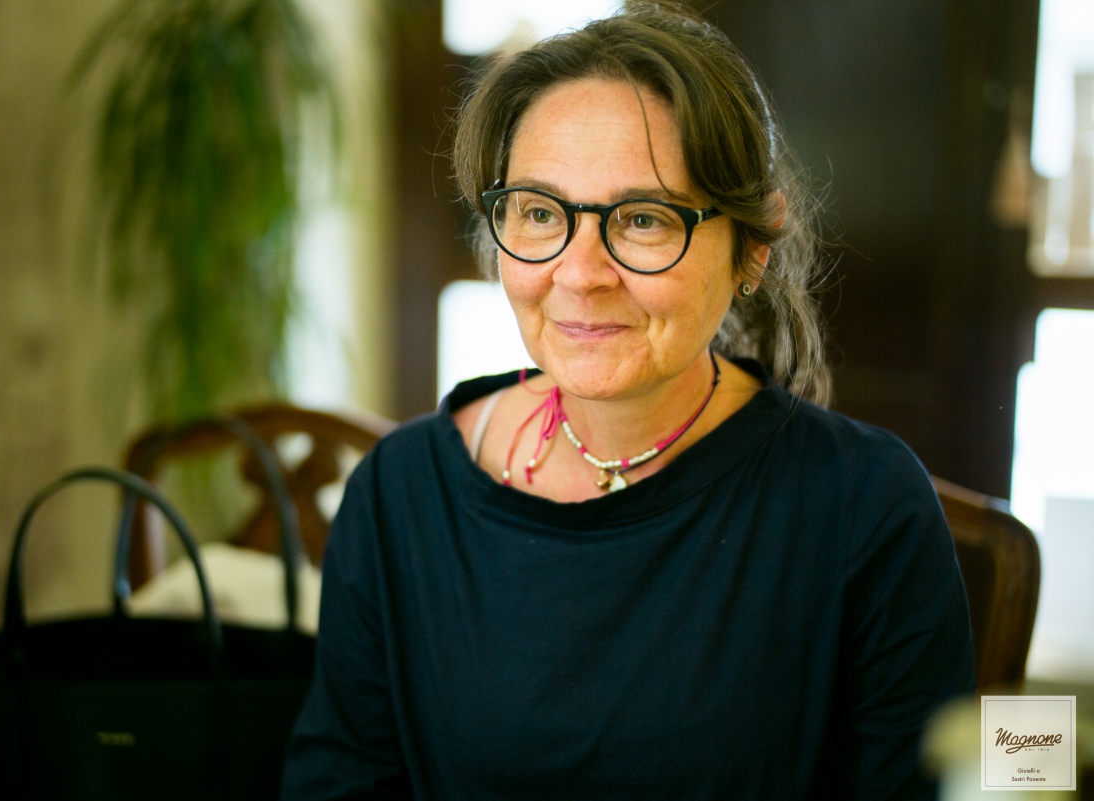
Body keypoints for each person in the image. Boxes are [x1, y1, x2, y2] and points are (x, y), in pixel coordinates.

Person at [282, 3, 974, 799]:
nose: (580, 274)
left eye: (643, 219)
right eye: (540, 212)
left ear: (753, 246)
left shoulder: (867, 507)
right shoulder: (399, 496)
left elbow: (995, 765)